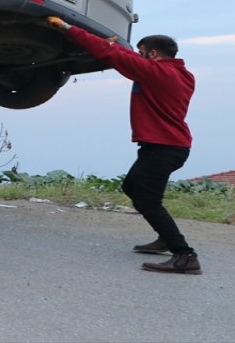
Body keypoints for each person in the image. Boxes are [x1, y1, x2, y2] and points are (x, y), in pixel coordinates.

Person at [47, 16, 199, 275]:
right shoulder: (181, 74)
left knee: (147, 200)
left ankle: (184, 255)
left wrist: (67, 28)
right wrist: (118, 47)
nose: (137, 56)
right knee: (131, 187)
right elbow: (123, 56)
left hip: (165, 148)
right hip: (166, 146)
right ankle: (165, 237)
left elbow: (113, 56)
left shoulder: (156, 72)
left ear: (152, 54)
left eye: (141, 53)